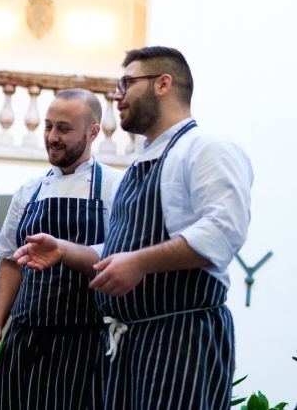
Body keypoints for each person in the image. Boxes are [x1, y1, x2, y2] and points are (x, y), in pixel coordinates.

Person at [14, 46, 253, 409]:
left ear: (163, 84)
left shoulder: (206, 148)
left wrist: (140, 263)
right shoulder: (138, 166)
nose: (117, 95)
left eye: (127, 83)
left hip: (180, 339)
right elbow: (115, 252)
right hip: (129, 344)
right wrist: (64, 250)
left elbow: (222, 232)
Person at [0, 89, 122, 410]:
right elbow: (11, 263)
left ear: (94, 131)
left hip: (83, 344)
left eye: (64, 129)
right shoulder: (29, 191)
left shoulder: (116, 188)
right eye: (48, 126)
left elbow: (118, 260)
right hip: (24, 339)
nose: (52, 137)